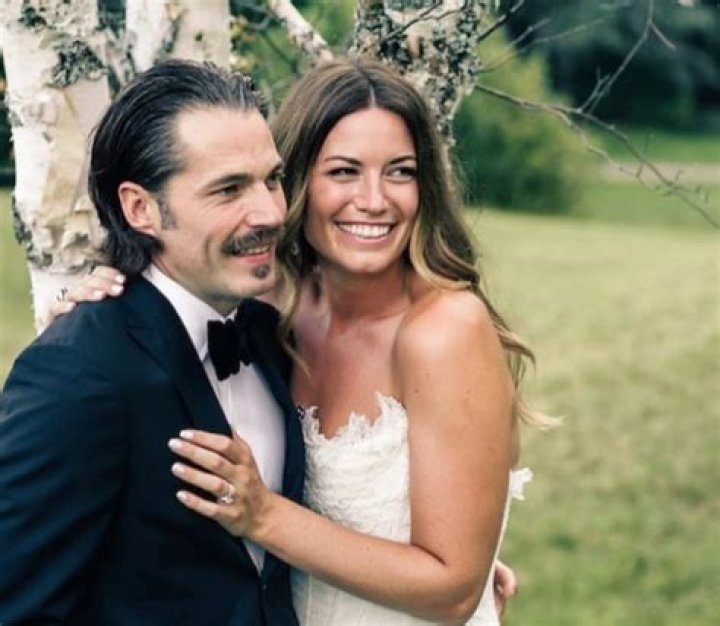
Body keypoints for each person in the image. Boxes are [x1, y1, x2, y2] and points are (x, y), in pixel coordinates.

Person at [57, 59, 538, 625]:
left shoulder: (444, 330)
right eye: (344, 172)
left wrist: (264, 516)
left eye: (401, 172)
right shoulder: (271, 311)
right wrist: (106, 306)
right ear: (295, 183)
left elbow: (453, 591)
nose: (375, 199)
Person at [0, 60, 304, 625]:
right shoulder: (77, 372)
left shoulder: (271, 335)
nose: (269, 212)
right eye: (229, 189)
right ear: (141, 208)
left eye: (272, 179)